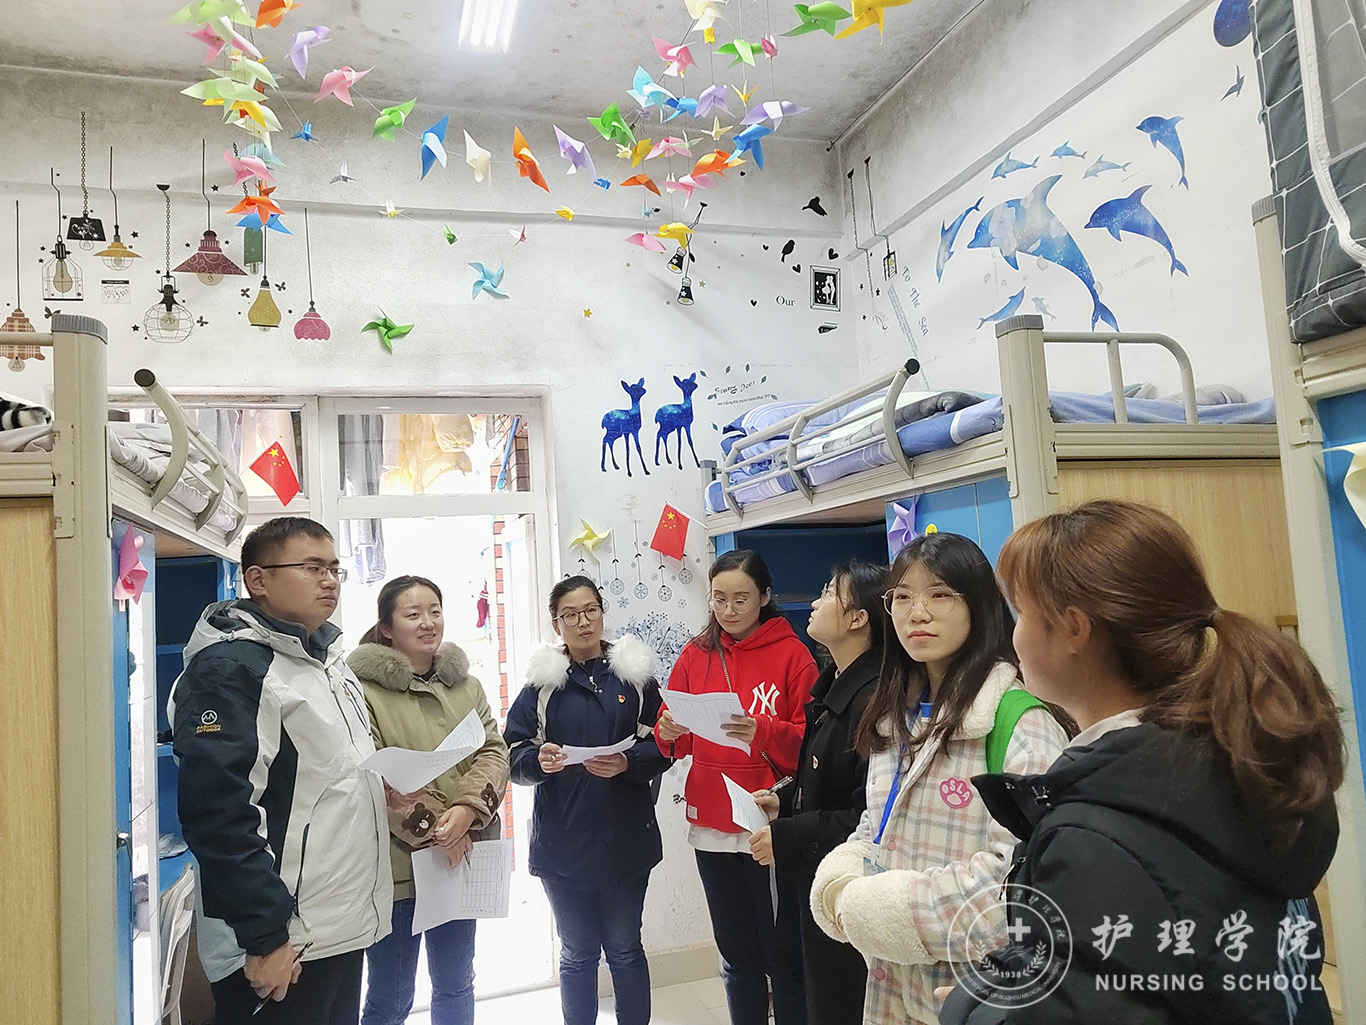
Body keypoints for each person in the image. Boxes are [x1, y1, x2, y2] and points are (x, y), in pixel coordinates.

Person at [940, 500, 1344, 1025]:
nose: (1014, 636)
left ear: (1073, 629)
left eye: (1022, 615)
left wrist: (967, 1007)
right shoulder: (1239, 760)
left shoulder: (1101, 834)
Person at [810, 532, 1072, 1025]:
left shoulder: (1018, 723)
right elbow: (877, 825)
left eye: (939, 595)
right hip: (891, 986)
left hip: (975, 996)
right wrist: (840, 880)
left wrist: (879, 908)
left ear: (979, 605)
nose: (918, 613)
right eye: (902, 597)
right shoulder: (895, 716)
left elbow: (1021, 887)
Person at [168, 517, 391, 1025]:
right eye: (312, 567)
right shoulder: (231, 670)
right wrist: (266, 937)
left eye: (334, 568)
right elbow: (219, 814)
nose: (329, 580)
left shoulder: (327, 662)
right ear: (258, 580)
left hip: (337, 926)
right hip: (281, 942)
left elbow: (327, 783)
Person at [656, 549, 819, 1025]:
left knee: (782, 955)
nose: (728, 610)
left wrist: (763, 730)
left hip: (764, 822)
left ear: (764, 597)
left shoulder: (793, 655)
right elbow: (677, 739)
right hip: (709, 821)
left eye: (741, 599)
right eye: (719, 599)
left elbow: (814, 746)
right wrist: (669, 731)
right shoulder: (695, 653)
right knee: (735, 955)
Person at [504, 575, 670, 1025]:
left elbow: (664, 745)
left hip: (626, 838)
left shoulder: (635, 676)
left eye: (590, 610)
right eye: (571, 615)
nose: (583, 622)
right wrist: (539, 760)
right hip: (563, 842)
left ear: (601, 613)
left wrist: (627, 762)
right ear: (556, 624)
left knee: (625, 949)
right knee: (577, 953)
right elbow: (512, 753)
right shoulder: (541, 685)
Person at [348, 575, 510, 1025]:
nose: (428, 623)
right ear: (386, 627)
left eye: (435, 611)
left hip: (460, 857)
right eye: (413, 614)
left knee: (457, 985)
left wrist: (466, 811)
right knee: (391, 997)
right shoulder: (361, 691)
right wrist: (443, 831)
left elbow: (493, 752)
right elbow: (375, 777)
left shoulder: (466, 686)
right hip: (398, 868)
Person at [748, 560, 887, 1025]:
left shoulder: (873, 701)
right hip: (822, 879)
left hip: (852, 889)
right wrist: (784, 801)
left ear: (858, 618)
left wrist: (787, 836)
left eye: (828, 593)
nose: (814, 601)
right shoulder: (835, 690)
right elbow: (827, 780)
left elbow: (870, 816)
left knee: (843, 1002)